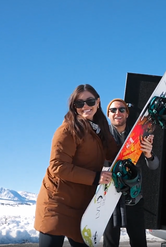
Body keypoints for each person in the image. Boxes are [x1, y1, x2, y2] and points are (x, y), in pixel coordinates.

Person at [34, 84, 120, 247]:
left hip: (81, 205)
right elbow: (58, 166)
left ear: (98, 102)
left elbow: (114, 154)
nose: (85, 106)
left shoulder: (100, 131)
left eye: (90, 101)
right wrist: (96, 177)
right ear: (74, 107)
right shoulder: (67, 130)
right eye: (79, 104)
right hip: (57, 203)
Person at [103, 98, 160, 247]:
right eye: (113, 110)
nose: (117, 113)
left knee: (139, 241)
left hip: (133, 195)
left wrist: (148, 154)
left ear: (127, 114)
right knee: (110, 242)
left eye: (122, 109)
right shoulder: (101, 137)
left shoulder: (137, 136)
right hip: (109, 197)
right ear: (108, 114)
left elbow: (154, 166)